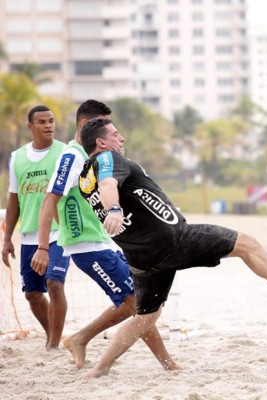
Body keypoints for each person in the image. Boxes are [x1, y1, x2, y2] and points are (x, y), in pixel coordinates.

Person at [77, 117, 267, 378]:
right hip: (172, 240)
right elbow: (109, 185)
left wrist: (115, 209)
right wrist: (114, 209)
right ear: (101, 142)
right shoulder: (107, 160)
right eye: (115, 134)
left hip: (141, 259)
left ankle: (100, 368)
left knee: (145, 317)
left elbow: (108, 189)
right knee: (248, 244)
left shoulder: (84, 178)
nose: (121, 139)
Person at [30, 100, 179, 371]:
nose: (113, 135)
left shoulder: (98, 158)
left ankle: (80, 338)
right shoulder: (72, 156)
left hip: (102, 243)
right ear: (88, 127)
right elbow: (49, 200)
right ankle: (167, 364)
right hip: (86, 247)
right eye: (104, 127)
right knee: (137, 304)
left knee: (129, 303)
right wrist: (43, 247)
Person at [1, 105, 70, 350]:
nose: (49, 125)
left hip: (59, 234)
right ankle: (55, 335)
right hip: (29, 235)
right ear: (30, 126)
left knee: (55, 283)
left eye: (51, 120)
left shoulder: (65, 153)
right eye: (42, 122)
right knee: (32, 294)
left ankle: (52, 345)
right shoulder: (17, 157)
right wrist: (7, 237)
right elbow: (13, 199)